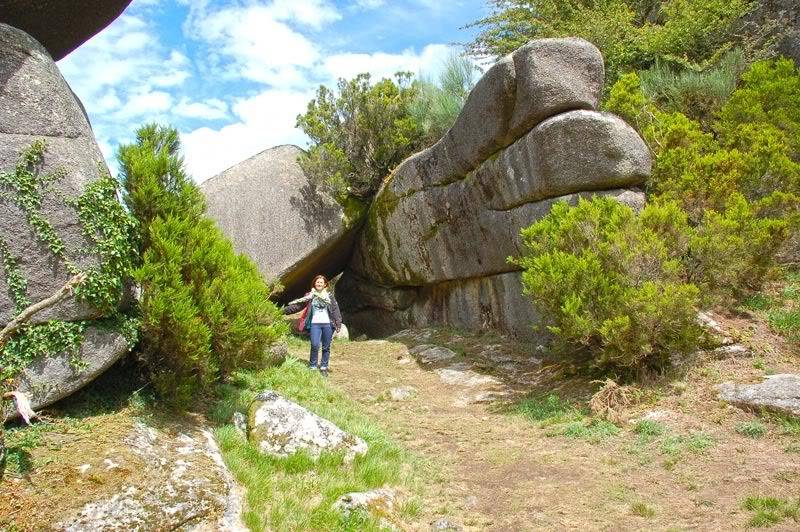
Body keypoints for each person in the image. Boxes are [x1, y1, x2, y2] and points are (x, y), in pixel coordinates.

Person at [283, 275, 342, 376]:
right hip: (315, 324)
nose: (319, 284)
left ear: (325, 285)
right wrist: (283, 311)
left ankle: (323, 367)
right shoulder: (310, 296)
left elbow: (335, 310)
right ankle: (313, 366)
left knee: (326, 347)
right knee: (315, 345)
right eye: (317, 282)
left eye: (321, 282)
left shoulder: (329, 296)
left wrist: (338, 323)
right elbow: (298, 306)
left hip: (328, 324)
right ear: (314, 284)